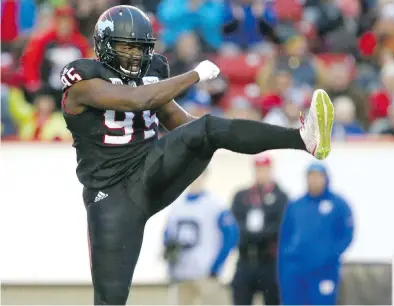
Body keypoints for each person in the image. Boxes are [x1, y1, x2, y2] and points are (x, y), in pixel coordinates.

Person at [60, 5, 335, 305]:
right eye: (126, 46)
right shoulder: (82, 82)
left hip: (152, 170)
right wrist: (194, 75)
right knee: (110, 299)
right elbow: (137, 99)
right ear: (105, 45)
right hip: (111, 194)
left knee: (207, 127)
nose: (135, 56)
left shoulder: (151, 75)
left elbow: (182, 124)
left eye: (141, 48)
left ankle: (303, 139)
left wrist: (225, 136)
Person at [278, 163, 354, 305]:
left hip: (324, 271)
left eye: (318, 176)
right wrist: (285, 266)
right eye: (311, 176)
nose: (315, 180)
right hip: (295, 271)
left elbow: (346, 235)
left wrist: (329, 255)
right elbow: (285, 237)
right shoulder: (296, 205)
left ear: (326, 178)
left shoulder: (338, 205)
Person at [163, 171, 239, 304]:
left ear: (204, 176)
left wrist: (216, 266)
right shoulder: (177, 205)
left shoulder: (215, 205)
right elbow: (168, 236)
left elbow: (231, 236)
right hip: (183, 273)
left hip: (206, 273)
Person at [231, 153, 288, 305]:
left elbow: (279, 226)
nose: (261, 173)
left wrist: (259, 235)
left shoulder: (281, 197)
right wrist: (251, 235)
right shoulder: (242, 196)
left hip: (268, 260)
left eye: (264, 169)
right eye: (258, 169)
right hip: (245, 259)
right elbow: (235, 223)